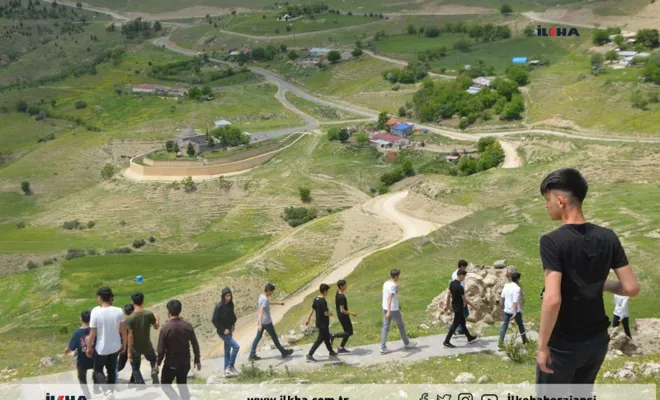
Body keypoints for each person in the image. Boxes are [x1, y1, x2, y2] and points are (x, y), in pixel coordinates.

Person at [536, 168, 639, 394]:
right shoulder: (608, 236)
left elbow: (552, 300)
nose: (546, 205)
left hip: (564, 345)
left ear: (561, 201)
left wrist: (542, 346)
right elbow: (631, 288)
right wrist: (600, 283)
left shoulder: (552, 242)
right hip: (596, 342)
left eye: (547, 199)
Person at [86, 287, 127, 400]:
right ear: (110, 297)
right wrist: (124, 344)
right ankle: (110, 393)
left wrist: (89, 347)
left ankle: (106, 391)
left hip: (102, 347)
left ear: (100, 298)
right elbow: (123, 331)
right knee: (111, 369)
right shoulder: (119, 310)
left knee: (98, 370)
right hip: (115, 346)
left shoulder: (95, 311)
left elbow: (92, 334)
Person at [157, 300, 201, 400]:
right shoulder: (188, 326)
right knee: (182, 384)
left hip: (171, 363)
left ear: (169, 313)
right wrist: (197, 360)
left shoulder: (165, 328)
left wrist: (158, 363)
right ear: (180, 310)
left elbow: (161, 350)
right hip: (185, 362)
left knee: (165, 384)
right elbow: (195, 345)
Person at [248, 283, 294, 361]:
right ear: (268, 290)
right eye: (271, 292)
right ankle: (284, 352)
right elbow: (261, 311)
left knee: (257, 338)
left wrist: (278, 303)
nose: (272, 293)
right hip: (266, 322)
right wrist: (259, 324)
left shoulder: (262, 296)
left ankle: (252, 354)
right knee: (274, 338)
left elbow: (266, 304)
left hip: (262, 322)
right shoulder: (265, 299)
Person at [380, 269, 418, 354]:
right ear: (396, 276)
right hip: (392, 310)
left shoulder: (386, 283)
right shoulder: (393, 285)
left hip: (385, 308)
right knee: (401, 326)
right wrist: (390, 311)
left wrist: (396, 305)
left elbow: (388, 296)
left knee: (385, 328)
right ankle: (407, 343)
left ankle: (382, 348)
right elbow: (389, 298)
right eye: (398, 276)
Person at [127, 293, 160, 385]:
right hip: (147, 344)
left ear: (132, 302)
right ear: (143, 301)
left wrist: (129, 351)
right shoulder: (149, 314)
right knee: (153, 360)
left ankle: (140, 383)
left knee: (135, 367)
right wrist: (157, 318)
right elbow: (156, 327)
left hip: (135, 347)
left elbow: (130, 336)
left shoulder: (130, 318)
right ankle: (154, 371)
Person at [64, 310, 97, 399]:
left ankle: (87, 396)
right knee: (98, 371)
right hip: (95, 357)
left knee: (82, 378)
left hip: (83, 360)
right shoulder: (95, 330)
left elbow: (71, 347)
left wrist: (66, 351)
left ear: (81, 319)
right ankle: (96, 387)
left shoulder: (77, 333)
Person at [443, 270, 478, 348]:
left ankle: (469, 337)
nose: (465, 278)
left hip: (455, 306)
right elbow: (464, 300)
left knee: (462, 323)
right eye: (464, 276)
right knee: (455, 325)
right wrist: (473, 306)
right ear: (461, 276)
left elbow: (448, 293)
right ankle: (446, 341)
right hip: (459, 308)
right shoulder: (460, 287)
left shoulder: (452, 283)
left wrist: (446, 304)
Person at [305, 284, 338, 362]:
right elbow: (325, 313)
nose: (327, 293)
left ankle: (331, 351)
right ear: (325, 291)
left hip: (319, 322)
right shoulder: (323, 301)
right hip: (323, 323)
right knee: (320, 339)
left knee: (326, 337)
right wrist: (331, 314)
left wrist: (308, 319)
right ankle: (310, 354)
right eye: (327, 291)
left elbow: (312, 309)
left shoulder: (316, 299)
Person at [212, 287, 240, 377]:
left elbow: (232, 316)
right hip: (222, 332)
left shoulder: (231, 305)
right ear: (223, 296)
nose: (229, 298)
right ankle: (230, 367)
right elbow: (214, 320)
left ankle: (226, 370)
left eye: (230, 296)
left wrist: (232, 324)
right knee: (236, 347)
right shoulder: (219, 306)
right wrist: (223, 329)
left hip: (229, 331)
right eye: (227, 296)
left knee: (227, 351)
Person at [499, 272, 528, 346]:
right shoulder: (517, 288)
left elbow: (502, 297)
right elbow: (515, 302)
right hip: (515, 311)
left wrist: (502, 306)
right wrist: (515, 313)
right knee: (520, 325)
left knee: (504, 326)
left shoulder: (506, 285)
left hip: (507, 310)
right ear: (517, 279)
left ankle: (500, 342)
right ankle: (524, 340)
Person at [332, 279, 357, 353]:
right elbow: (342, 310)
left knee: (348, 332)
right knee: (349, 332)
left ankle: (341, 347)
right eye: (345, 285)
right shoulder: (341, 297)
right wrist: (352, 313)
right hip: (343, 316)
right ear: (341, 286)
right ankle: (334, 335)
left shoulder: (338, 293)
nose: (346, 286)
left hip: (341, 315)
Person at [447, 260, 469, 335]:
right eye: (465, 267)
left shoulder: (454, 273)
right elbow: (460, 287)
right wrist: (464, 301)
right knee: (464, 314)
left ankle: (460, 329)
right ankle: (456, 328)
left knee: (461, 315)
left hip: (456, 296)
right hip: (459, 297)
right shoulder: (459, 275)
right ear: (462, 266)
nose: (465, 269)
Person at [117, 304, 135, 384]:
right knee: (134, 365)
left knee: (121, 365)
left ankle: (109, 375)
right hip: (131, 346)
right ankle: (132, 381)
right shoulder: (133, 320)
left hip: (124, 345)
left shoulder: (122, 322)